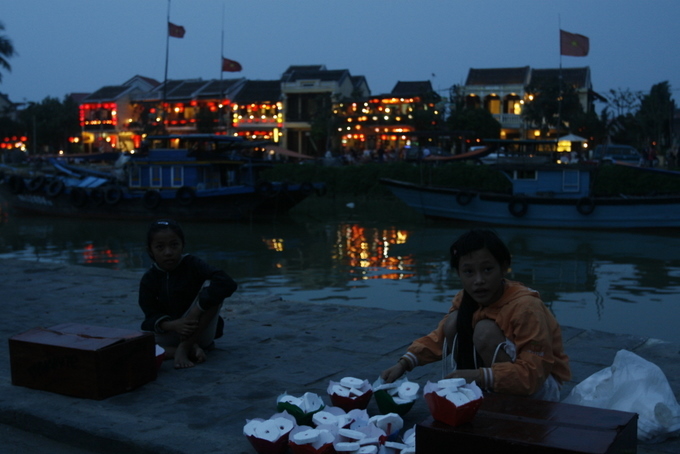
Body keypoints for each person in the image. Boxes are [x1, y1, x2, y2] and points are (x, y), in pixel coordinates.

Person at [381, 229, 571, 401]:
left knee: (484, 330)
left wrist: (478, 376)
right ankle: (479, 391)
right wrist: (404, 363)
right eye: (469, 272)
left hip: (538, 387)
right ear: (459, 273)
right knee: (453, 322)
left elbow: (533, 375)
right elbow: (439, 338)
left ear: (503, 267)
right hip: (492, 376)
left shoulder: (526, 307)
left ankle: (497, 394)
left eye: (487, 269)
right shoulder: (464, 298)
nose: (479, 280)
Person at [139, 219, 238, 369]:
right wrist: (174, 325)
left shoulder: (192, 264)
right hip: (170, 332)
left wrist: (195, 311)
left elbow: (227, 282)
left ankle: (185, 346)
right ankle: (187, 350)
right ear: (150, 251)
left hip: (198, 330)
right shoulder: (149, 279)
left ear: (182, 245)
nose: (168, 252)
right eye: (160, 247)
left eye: (174, 245)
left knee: (215, 292)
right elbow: (149, 315)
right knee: (139, 347)